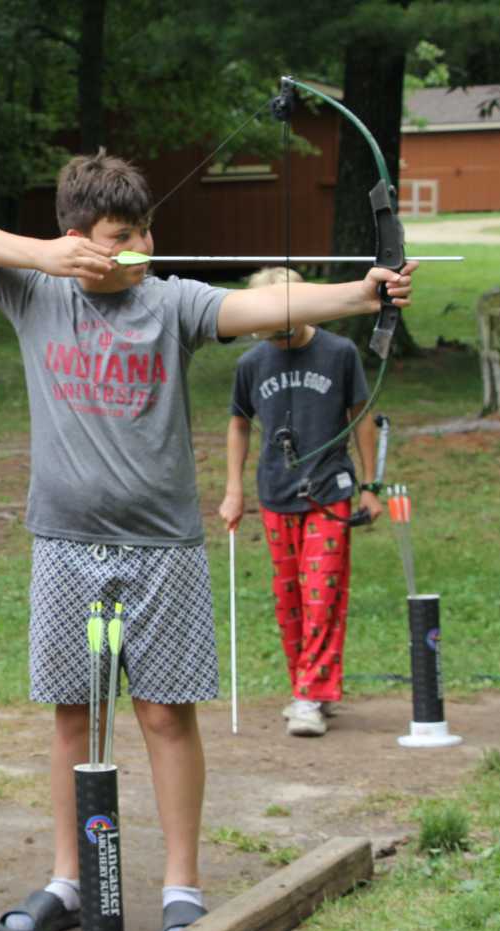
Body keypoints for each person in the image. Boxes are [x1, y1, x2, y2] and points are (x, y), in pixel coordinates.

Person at [0, 150, 414, 931]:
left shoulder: (171, 302)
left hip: (162, 549)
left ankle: (182, 884)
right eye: (122, 236)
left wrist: (363, 291)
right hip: (65, 544)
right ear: (82, 237)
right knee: (72, 719)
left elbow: (267, 307)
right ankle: (66, 881)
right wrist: (44, 255)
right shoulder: (36, 293)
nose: (140, 248)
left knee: (163, 716)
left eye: (146, 232)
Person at [218, 267, 384, 738]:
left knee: (323, 592)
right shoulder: (252, 363)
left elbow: (362, 418)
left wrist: (371, 485)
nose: (273, 335)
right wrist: (234, 490)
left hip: (328, 493)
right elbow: (238, 423)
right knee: (289, 599)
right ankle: (307, 688)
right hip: (275, 494)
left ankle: (310, 694)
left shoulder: (339, 353)